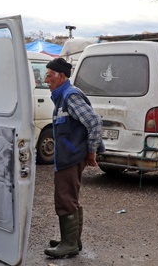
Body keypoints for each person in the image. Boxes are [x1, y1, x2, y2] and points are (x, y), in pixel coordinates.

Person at [42, 58, 102, 259]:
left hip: (71, 156)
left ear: (61, 77)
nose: (46, 79)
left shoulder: (70, 96)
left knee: (65, 198)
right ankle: (72, 241)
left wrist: (91, 151)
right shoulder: (61, 96)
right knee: (69, 197)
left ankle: (69, 244)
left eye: (49, 75)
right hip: (69, 155)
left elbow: (94, 122)